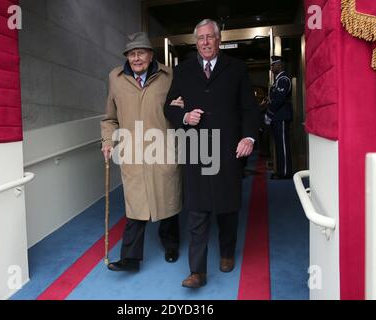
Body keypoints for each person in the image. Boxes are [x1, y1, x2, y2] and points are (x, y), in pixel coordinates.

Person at [164, 19, 259, 288]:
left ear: (219, 39)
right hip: (196, 150)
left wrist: (249, 136)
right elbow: (168, 108)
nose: (205, 42)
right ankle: (197, 272)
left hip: (228, 149)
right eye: (200, 39)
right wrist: (184, 116)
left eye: (210, 37)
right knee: (197, 210)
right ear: (196, 43)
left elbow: (249, 109)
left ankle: (227, 252)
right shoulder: (182, 71)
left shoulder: (237, 68)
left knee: (228, 207)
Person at [100, 32, 181, 272]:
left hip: (162, 149)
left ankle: (171, 245)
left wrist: (182, 107)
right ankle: (131, 258)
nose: (136, 58)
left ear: (150, 55)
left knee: (168, 201)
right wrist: (107, 140)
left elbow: (181, 105)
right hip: (132, 152)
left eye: (141, 53)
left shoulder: (169, 76)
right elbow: (109, 118)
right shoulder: (116, 79)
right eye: (132, 54)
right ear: (127, 57)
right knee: (135, 206)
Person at [261, 56, 293, 179]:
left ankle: (285, 172)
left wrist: (269, 114)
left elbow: (279, 99)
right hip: (278, 117)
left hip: (282, 116)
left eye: (273, 65)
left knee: (283, 145)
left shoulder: (283, 79)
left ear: (280, 65)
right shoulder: (277, 80)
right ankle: (281, 171)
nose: (272, 67)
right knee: (279, 145)